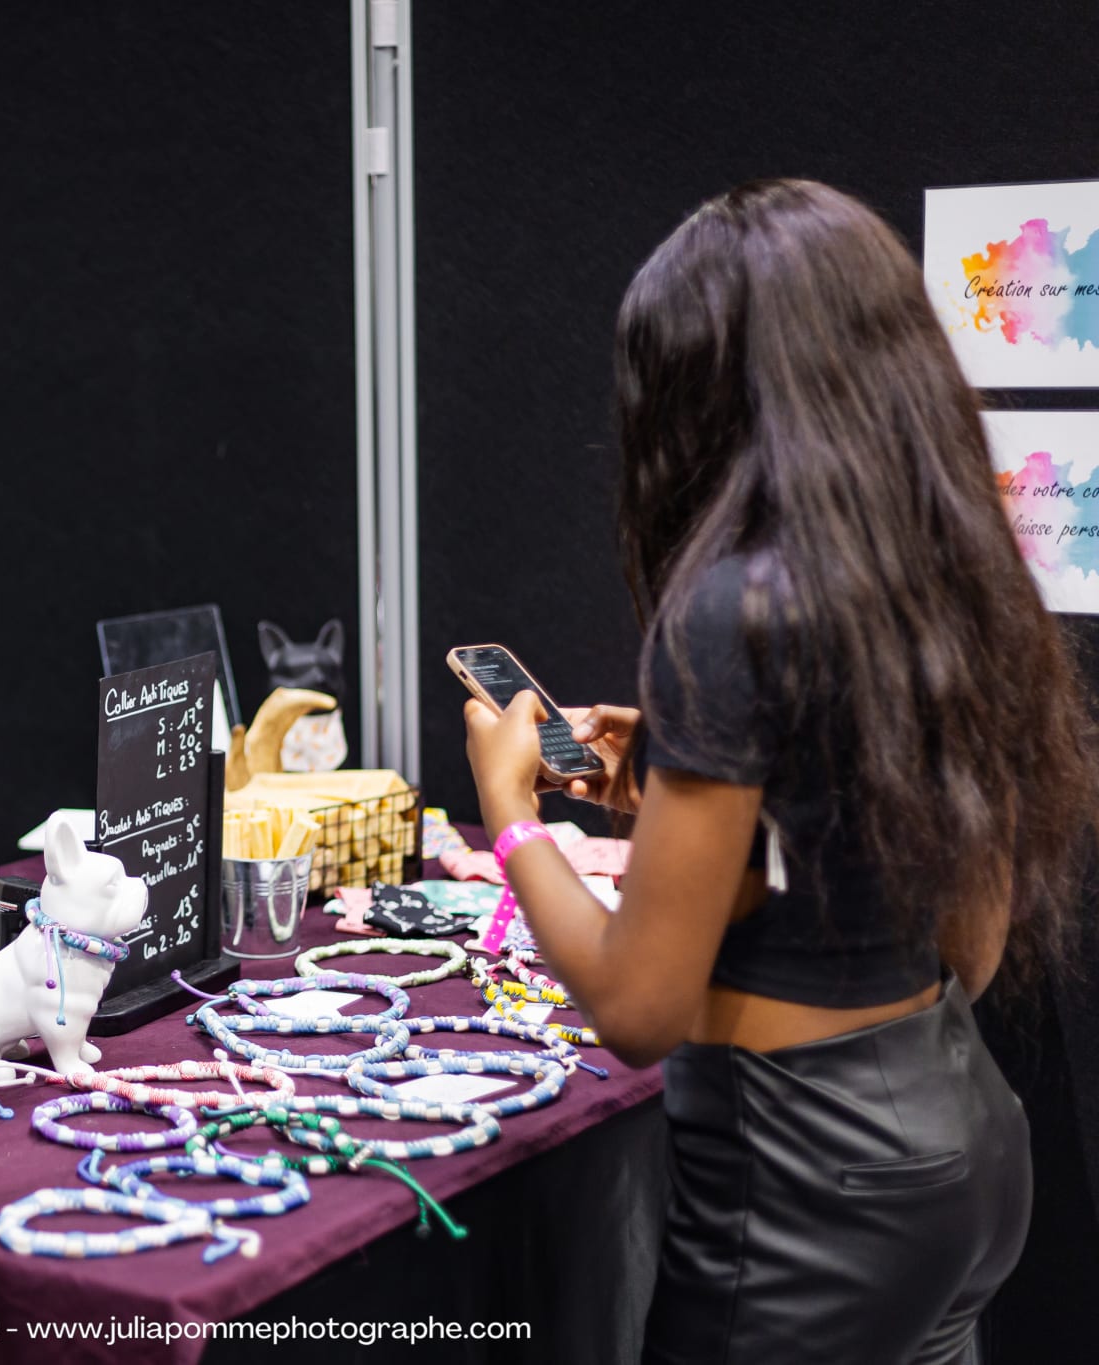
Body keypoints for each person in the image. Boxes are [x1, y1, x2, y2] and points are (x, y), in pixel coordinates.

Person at [461, 179, 1099, 1363]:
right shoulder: (950, 586)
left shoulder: (725, 614)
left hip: (807, 1191)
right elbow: (967, 941)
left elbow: (638, 1011)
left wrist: (509, 815)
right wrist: (671, 792)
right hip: (956, 1146)